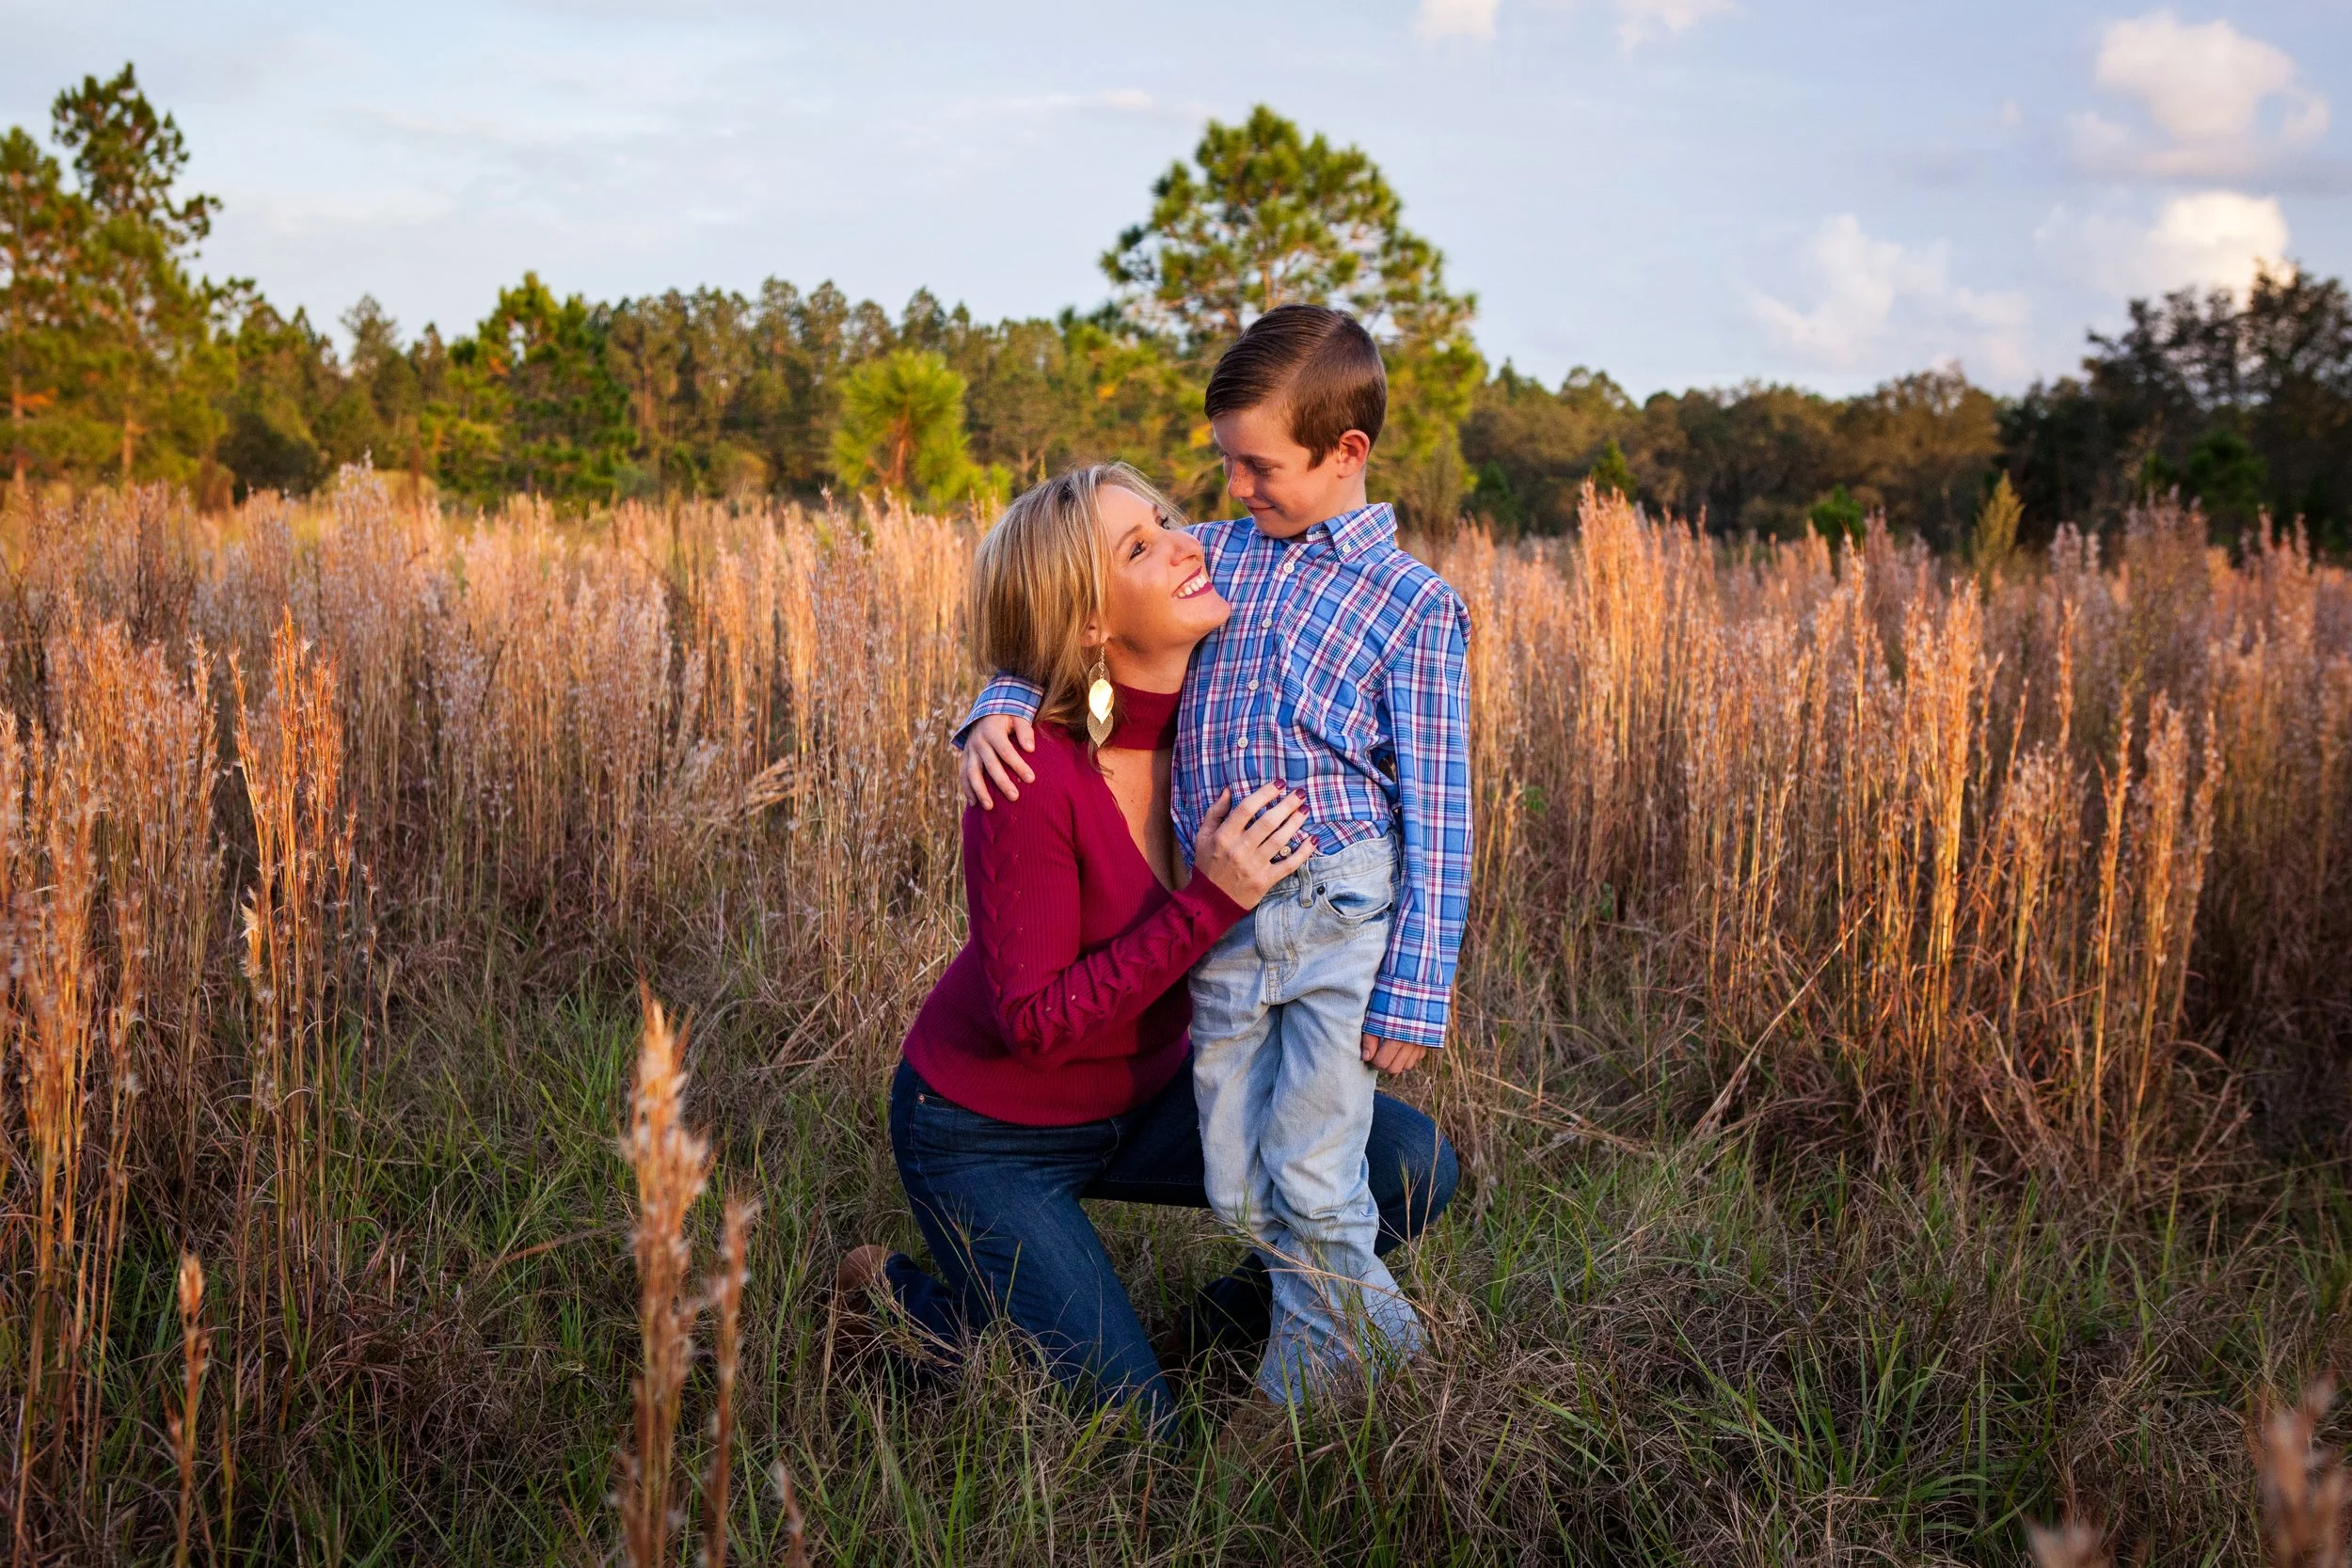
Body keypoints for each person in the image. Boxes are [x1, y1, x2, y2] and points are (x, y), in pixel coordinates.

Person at [846, 460, 1457, 1435]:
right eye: (1141, 544)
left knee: (1410, 1161)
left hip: (1153, 1094)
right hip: (989, 1129)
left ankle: (1204, 1329)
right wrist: (1209, 900)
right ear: (1090, 621)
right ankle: (903, 1306)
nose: (1188, 540)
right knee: (1132, 1439)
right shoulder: (1030, 775)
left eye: (1168, 517)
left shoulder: (1229, 706)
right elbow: (1039, 1028)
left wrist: (996, 689)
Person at [958, 306, 1473, 1405]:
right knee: (1247, 1179)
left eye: (1255, 466)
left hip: (1325, 913)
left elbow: (1441, 806)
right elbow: (1069, 618)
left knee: (1318, 1168)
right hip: (1128, 1015)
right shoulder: (1226, 562)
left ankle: (1314, 1372)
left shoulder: (1403, 604)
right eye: (1224, 466)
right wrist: (996, 701)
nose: (1226, 498)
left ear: (1346, 455)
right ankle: (945, 1307)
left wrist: (1416, 989)